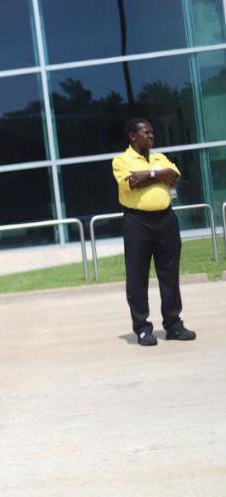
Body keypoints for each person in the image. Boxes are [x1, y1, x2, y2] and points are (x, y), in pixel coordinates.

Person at [112, 118, 196, 346]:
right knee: (137, 276)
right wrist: (159, 175)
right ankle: (142, 328)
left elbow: (174, 176)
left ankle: (173, 325)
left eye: (152, 132)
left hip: (166, 220)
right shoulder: (121, 161)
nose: (151, 136)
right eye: (146, 133)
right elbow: (132, 182)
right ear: (132, 136)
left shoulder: (160, 157)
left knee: (169, 274)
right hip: (137, 222)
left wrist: (148, 175)